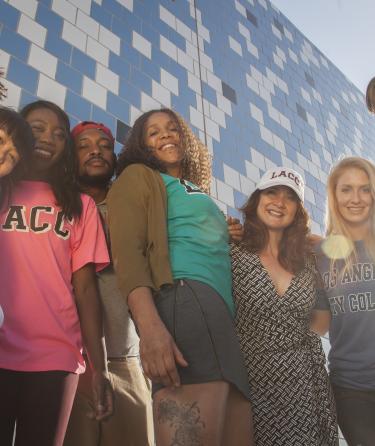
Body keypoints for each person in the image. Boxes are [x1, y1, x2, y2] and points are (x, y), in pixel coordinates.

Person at [107, 108, 253, 446]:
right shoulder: (139, 176)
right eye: (154, 132)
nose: (167, 135)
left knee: (236, 432)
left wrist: (228, 232)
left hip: (218, 313)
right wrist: (151, 328)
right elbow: (128, 254)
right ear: (141, 146)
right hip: (184, 300)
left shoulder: (189, 187)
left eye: (172, 129)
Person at [0, 100, 113, 446]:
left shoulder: (81, 205)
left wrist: (100, 367)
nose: (48, 138)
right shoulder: (2, 188)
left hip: (56, 354)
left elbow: (85, 289)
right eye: (37, 129)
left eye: (60, 134)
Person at [232, 167, 338, 446]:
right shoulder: (233, 251)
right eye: (271, 192)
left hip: (302, 385)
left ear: (297, 211)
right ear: (257, 200)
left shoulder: (308, 262)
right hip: (249, 378)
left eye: (289, 197)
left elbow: (321, 319)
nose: (279, 202)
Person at [64, 121, 154, 446]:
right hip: (67, 360)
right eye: (84, 145)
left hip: (126, 358)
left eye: (104, 145)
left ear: (115, 159)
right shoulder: (57, 208)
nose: (95, 150)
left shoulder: (134, 206)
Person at [312, 156, 375, 446]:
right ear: (334, 196)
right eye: (346, 189)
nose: (356, 198)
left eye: (365, 188)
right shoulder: (321, 255)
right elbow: (320, 325)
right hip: (351, 390)